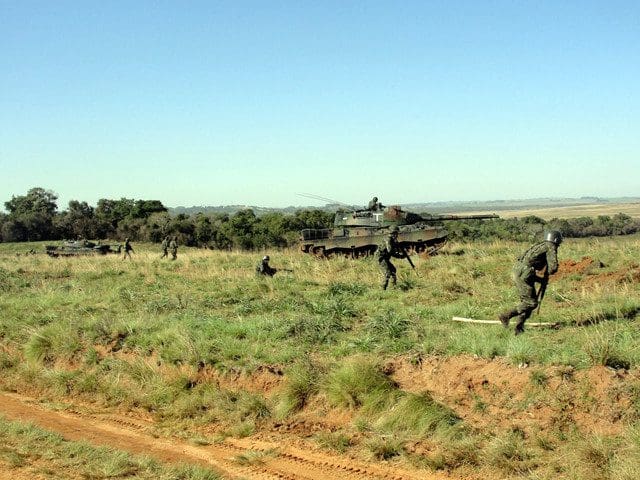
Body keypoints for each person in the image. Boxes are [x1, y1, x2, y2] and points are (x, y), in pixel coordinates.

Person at [498, 230, 563, 335]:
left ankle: (519, 328)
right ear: (556, 239)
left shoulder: (541, 245)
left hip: (520, 270)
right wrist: (547, 271)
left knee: (527, 301)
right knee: (531, 303)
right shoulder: (550, 246)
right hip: (525, 273)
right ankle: (506, 315)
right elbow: (553, 268)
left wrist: (541, 279)